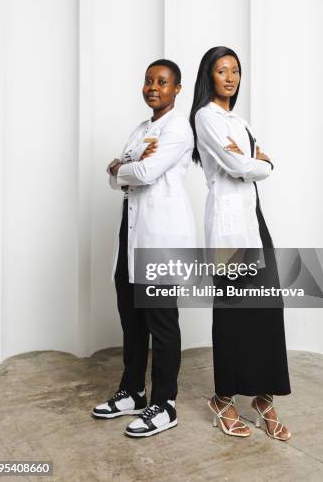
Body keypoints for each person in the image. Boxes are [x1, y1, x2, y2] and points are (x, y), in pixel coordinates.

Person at [189, 46, 291, 440]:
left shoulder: (239, 121)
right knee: (232, 309)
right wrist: (262, 163)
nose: (229, 77)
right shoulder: (205, 117)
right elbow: (239, 166)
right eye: (221, 71)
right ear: (208, 77)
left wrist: (250, 160)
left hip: (254, 219)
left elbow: (246, 163)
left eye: (234, 70)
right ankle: (222, 397)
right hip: (230, 225)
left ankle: (263, 396)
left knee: (266, 307)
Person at [92, 59, 196, 437]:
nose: (153, 87)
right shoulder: (141, 130)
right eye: (149, 80)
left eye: (163, 82)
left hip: (162, 238)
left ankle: (165, 403)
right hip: (130, 235)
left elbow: (144, 173)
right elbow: (117, 180)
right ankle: (133, 392)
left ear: (177, 89)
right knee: (132, 320)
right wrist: (126, 168)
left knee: (162, 323)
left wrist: (123, 167)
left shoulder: (179, 129)